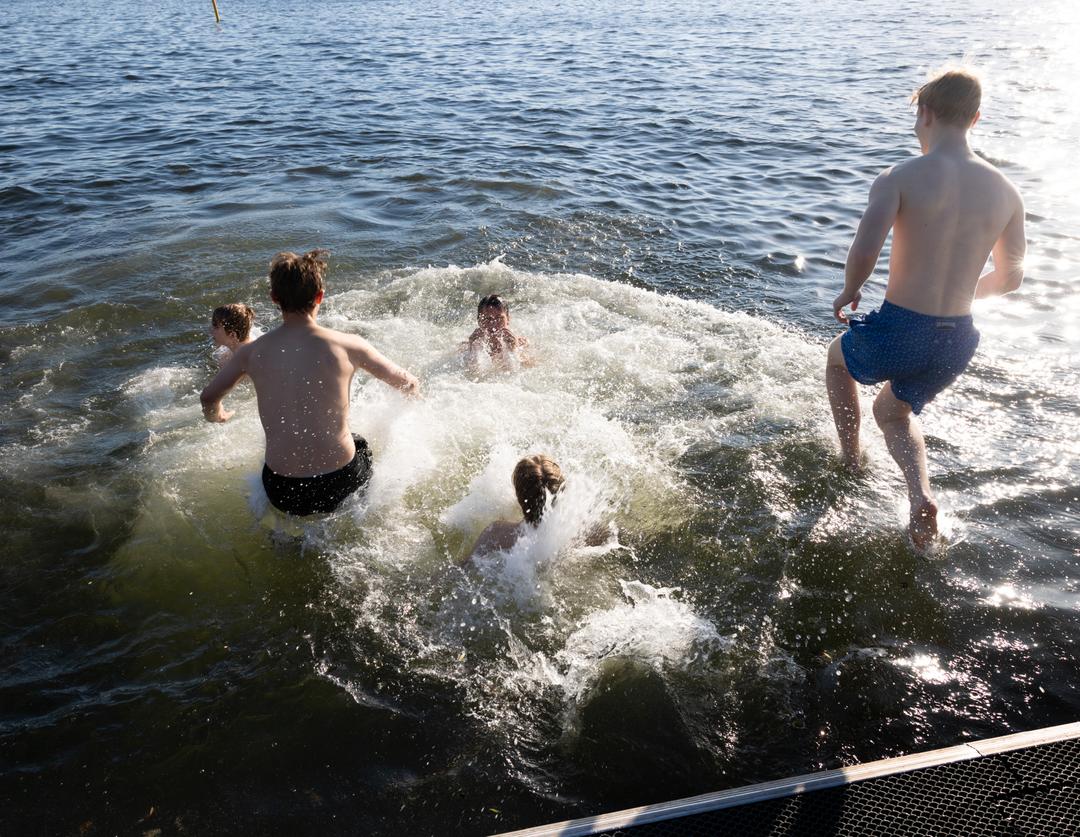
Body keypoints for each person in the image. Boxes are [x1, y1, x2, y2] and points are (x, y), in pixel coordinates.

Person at [826, 68, 1027, 550]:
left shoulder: (901, 176)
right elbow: (1012, 277)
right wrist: (960, 297)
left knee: (838, 360)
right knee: (895, 411)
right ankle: (920, 496)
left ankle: (850, 461)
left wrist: (850, 290)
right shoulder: (1007, 191)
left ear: (926, 113)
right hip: (959, 336)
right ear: (975, 118)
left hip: (903, 326)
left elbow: (865, 248)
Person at [200, 250, 420, 516]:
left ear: (274, 299)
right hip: (339, 482)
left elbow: (208, 398)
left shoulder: (251, 352)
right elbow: (408, 383)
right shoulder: (349, 344)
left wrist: (218, 415)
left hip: (282, 489)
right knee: (361, 447)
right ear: (320, 296)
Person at [469, 454, 565, 558]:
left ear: (519, 497)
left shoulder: (496, 534)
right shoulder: (576, 534)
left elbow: (460, 569)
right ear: (561, 493)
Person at [465, 294, 530, 370]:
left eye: (499, 318)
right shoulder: (468, 346)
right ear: (479, 321)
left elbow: (531, 369)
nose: (493, 324)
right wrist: (472, 351)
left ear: (508, 319)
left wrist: (514, 350)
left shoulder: (522, 344)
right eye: (487, 319)